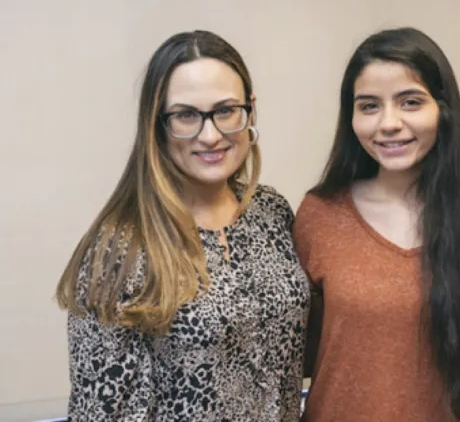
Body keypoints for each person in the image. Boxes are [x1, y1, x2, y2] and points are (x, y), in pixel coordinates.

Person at [55, 30, 310, 422]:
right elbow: (101, 411)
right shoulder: (120, 248)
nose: (210, 135)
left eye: (226, 110)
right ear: (157, 124)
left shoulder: (271, 211)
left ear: (250, 110)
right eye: (186, 115)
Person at [293, 27, 460, 422]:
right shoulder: (320, 213)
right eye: (368, 106)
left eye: (410, 102)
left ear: (443, 109)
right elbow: (298, 349)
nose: (388, 123)